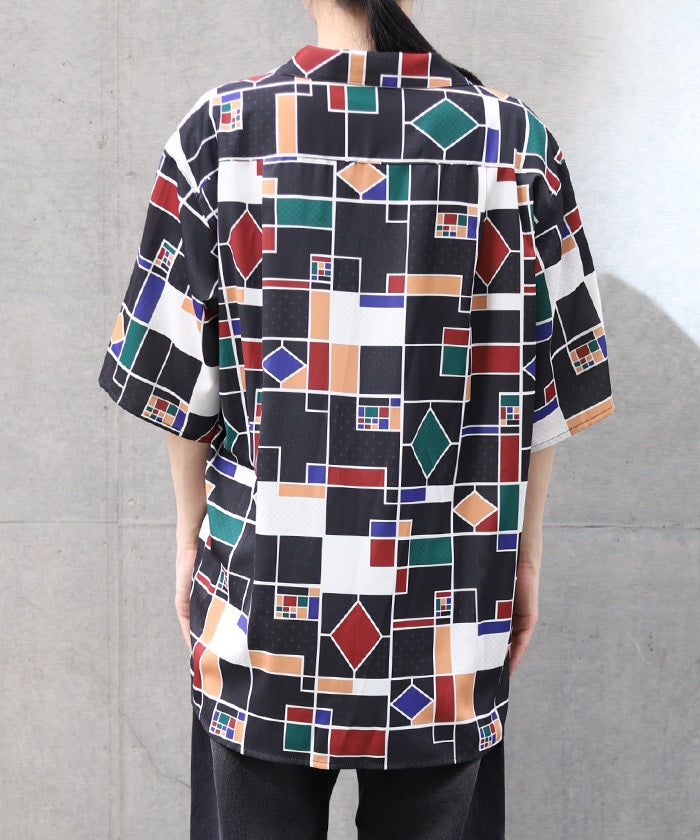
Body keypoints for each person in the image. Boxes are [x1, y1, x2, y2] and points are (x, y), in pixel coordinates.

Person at [97, 0, 616, 837]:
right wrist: (523, 556)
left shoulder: (220, 136)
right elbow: (545, 393)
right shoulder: (517, 147)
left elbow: (178, 389)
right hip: (447, 615)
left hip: (262, 604)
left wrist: (189, 541)